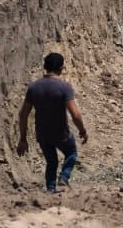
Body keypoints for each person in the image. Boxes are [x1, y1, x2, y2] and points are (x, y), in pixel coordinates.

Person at [17, 52, 88, 193]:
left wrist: (23, 138)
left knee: (51, 162)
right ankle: (64, 177)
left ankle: (50, 190)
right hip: (61, 133)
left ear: (45, 67)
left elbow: (23, 114)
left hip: (42, 134)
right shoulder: (64, 87)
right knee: (71, 152)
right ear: (61, 68)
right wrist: (82, 130)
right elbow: (75, 114)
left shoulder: (33, 87)